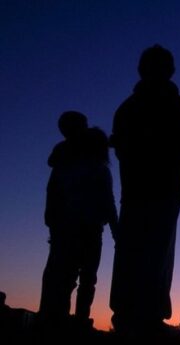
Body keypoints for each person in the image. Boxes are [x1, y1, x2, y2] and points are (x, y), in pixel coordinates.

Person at [109, 44, 180, 335]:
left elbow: (123, 149)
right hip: (159, 191)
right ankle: (147, 319)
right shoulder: (173, 104)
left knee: (132, 254)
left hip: (138, 192)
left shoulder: (127, 107)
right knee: (155, 254)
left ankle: (128, 316)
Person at [39, 115, 118, 330]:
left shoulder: (65, 166)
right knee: (84, 278)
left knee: (67, 277)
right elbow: (108, 202)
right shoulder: (97, 170)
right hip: (86, 229)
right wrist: (116, 230)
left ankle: (61, 319)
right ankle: (78, 320)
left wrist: (51, 219)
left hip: (69, 227)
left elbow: (52, 192)